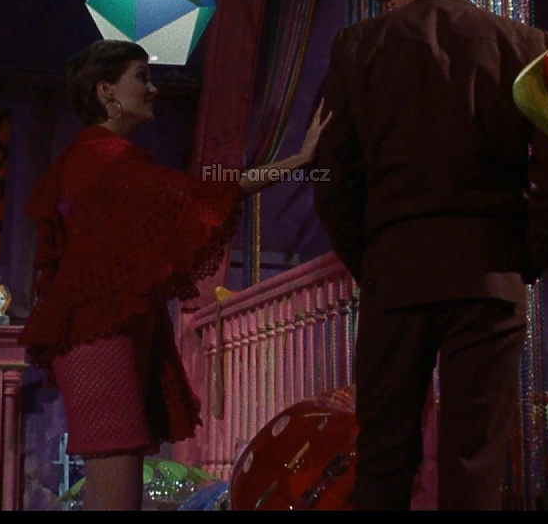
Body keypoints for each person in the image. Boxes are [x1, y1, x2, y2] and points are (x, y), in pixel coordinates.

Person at [311, 0, 548, 510]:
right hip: (490, 276)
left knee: (384, 460)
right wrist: (523, 256)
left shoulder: (358, 46)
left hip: (395, 273)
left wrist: (373, 258)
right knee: (475, 464)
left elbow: (330, 175)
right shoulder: (528, 45)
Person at [19, 38, 331, 511]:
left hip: (99, 334)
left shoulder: (95, 159)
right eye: (141, 77)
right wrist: (298, 161)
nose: (154, 89)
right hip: (100, 335)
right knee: (116, 492)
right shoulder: (105, 159)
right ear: (106, 91)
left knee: (111, 488)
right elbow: (203, 193)